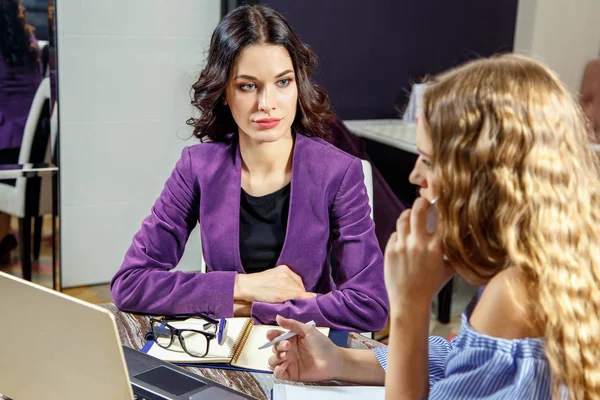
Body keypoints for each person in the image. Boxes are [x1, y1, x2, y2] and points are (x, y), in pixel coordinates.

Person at [267, 55, 600, 399]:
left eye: (427, 160)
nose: (415, 176)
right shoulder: (555, 260)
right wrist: (338, 360)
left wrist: (411, 306)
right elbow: (460, 360)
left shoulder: (511, 295)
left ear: (479, 178)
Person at [110, 5, 388, 332]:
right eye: (247, 86)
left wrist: (250, 308)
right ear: (224, 92)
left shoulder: (338, 172)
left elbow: (369, 306)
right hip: (222, 349)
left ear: (298, 84)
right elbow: (129, 283)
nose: (266, 103)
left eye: (282, 82)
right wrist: (243, 286)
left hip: (310, 348)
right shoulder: (197, 167)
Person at [0, 0, 43, 264]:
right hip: (34, 147)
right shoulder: (30, 41)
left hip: (7, 151)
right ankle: (5, 237)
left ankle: (3, 240)